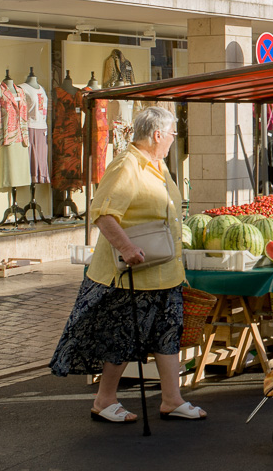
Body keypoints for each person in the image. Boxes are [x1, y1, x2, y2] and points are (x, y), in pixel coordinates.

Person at [49, 106, 206, 423]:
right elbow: (103, 213)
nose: (174, 141)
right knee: (122, 338)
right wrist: (126, 246)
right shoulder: (126, 165)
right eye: (173, 135)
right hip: (132, 274)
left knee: (167, 335)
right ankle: (104, 400)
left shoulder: (157, 165)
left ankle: (171, 400)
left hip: (165, 272)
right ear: (158, 135)